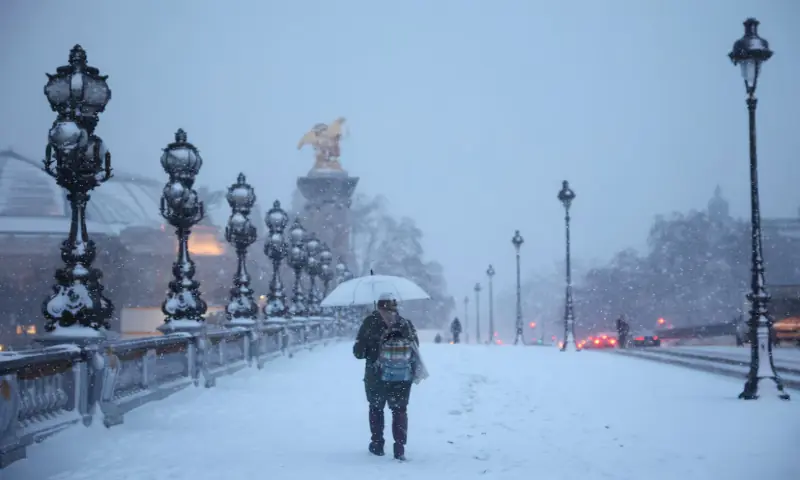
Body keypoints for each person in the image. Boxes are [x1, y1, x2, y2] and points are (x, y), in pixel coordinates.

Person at [353, 294, 420, 460]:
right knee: (399, 410)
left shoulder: (370, 323)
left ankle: (377, 444)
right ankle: (399, 447)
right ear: (395, 306)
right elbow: (415, 347)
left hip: (376, 374)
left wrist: (370, 346)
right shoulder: (405, 323)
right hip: (401, 375)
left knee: (376, 408)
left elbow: (358, 353)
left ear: (378, 306)